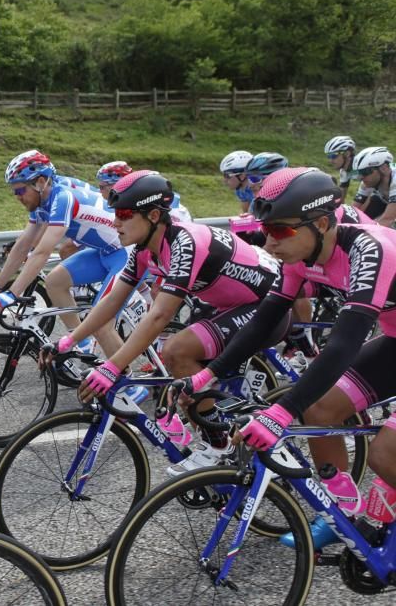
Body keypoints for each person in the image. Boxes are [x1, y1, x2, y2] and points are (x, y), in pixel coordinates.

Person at [176, 167, 396, 549]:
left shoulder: (369, 248)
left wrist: (281, 413)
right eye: (265, 229)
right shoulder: (300, 253)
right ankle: (341, 513)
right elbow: (265, 320)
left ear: (322, 222)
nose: (268, 241)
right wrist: (207, 375)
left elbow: (344, 344)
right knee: (320, 407)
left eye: (280, 230)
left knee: (385, 454)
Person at [43, 170, 284, 474]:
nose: (115, 222)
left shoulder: (185, 242)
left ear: (154, 215)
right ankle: (224, 435)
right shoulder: (145, 250)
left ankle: (218, 445)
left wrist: (112, 366)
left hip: (268, 304)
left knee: (177, 351)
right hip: (231, 303)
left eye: (125, 214)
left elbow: (160, 315)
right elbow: (112, 301)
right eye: (115, 214)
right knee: (188, 389)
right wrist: (67, 340)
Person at [0, 150, 125, 356]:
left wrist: (12, 294)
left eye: (19, 190)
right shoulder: (43, 199)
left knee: (99, 323)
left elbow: (42, 252)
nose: (16, 196)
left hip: (127, 254)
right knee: (54, 282)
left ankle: (132, 387)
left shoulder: (62, 198)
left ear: (39, 182)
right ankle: (83, 345)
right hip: (104, 251)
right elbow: (24, 244)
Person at [98, 161, 192, 223]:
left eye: (101, 187)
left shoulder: (136, 202)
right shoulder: (132, 198)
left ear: (116, 187)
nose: (99, 191)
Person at [350, 146, 396, 227]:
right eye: (359, 173)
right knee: (374, 203)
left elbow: (388, 219)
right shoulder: (367, 182)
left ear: (384, 168)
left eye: (365, 172)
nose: (361, 177)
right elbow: (352, 211)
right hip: (387, 202)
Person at [324, 136, 357, 202]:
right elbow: (340, 200)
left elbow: (366, 199)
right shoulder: (344, 171)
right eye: (329, 156)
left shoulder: (362, 168)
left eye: (334, 156)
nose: (330, 160)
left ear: (347, 154)